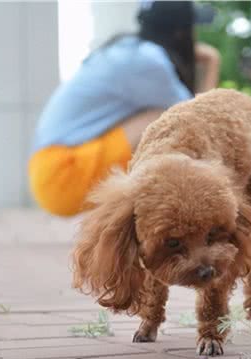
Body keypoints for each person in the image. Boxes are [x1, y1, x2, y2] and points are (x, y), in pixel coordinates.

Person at [29, 1, 221, 217]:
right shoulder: (149, 62)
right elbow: (200, 116)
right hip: (61, 175)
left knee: (167, 119)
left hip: (48, 171)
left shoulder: (131, 51)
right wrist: (213, 61)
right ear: (179, 32)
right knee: (167, 120)